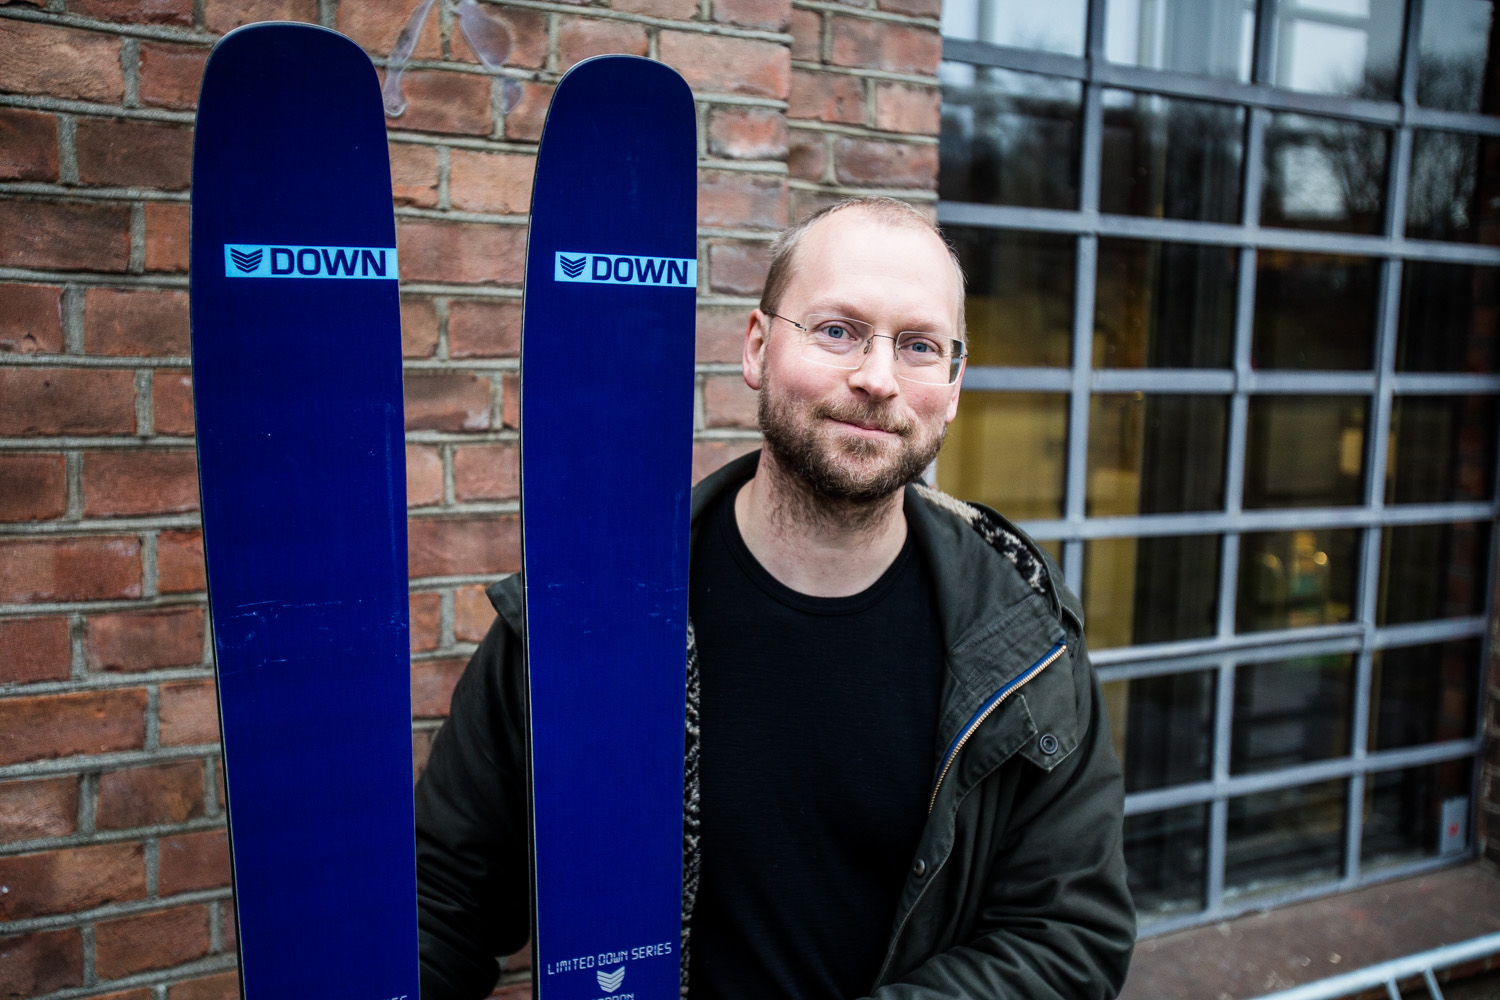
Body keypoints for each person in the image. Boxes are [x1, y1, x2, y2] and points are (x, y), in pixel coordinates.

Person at [414, 196, 1136, 1000]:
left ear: (954, 383)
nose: (877, 378)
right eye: (838, 331)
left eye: (919, 346)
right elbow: (441, 904)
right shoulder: (582, 612)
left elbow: (1069, 939)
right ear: (758, 347)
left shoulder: (1023, 635)